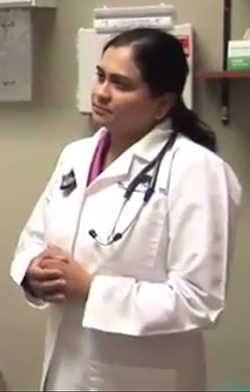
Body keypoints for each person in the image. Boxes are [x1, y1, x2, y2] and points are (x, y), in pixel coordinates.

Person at [10, 27, 241, 391]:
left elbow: (199, 299)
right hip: (66, 367)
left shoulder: (198, 172)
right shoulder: (76, 156)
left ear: (162, 104)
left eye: (121, 84)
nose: (102, 92)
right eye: (100, 76)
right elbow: (33, 240)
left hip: (140, 377)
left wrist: (92, 289)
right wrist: (32, 271)